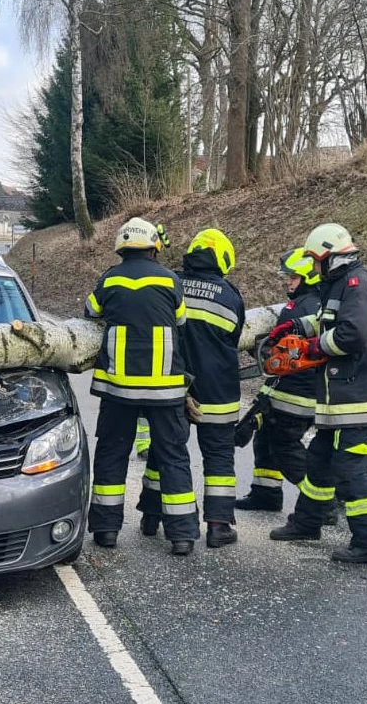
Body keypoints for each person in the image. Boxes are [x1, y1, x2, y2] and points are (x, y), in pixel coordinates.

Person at [269, 224, 367, 564]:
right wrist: (295, 327)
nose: (313, 267)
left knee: (350, 470)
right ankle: (308, 522)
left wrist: (310, 346)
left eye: (315, 260)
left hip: (359, 398)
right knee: (319, 458)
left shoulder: (357, 284)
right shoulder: (339, 284)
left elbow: (353, 334)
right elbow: (329, 320)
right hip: (342, 397)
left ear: (331, 257)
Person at [84, 217, 200, 555]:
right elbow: (181, 321)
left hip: (118, 388)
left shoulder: (109, 278)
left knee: (111, 454)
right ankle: (183, 535)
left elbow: (90, 312)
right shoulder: (170, 280)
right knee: (174, 456)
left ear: (121, 247)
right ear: (154, 247)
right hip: (165, 389)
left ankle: (106, 530)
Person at [137, 229, 244, 548]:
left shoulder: (173, 284)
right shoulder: (230, 295)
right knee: (219, 458)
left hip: (175, 386)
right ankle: (218, 526)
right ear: (224, 260)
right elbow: (235, 338)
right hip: (219, 390)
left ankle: (151, 517)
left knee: (163, 451)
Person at [235, 248, 320, 513]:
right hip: (297, 389)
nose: (288, 282)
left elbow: (282, 355)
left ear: (308, 277)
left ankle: (319, 502)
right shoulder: (320, 304)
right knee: (265, 438)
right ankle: (266, 493)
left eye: (293, 278)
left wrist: (263, 352)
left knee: (285, 445)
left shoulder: (299, 308)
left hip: (295, 392)